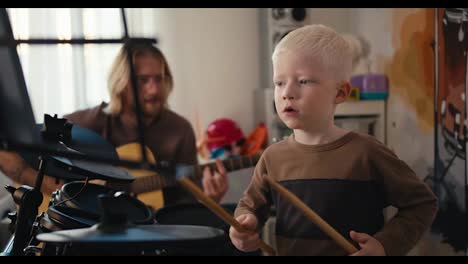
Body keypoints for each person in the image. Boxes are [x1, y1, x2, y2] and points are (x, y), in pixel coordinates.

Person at [229, 24, 438, 256]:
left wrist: (383, 246)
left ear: (340, 92)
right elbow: (249, 207)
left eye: (303, 81)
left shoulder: (367, 153)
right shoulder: (272, 157)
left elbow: (421, 204)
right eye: (279, 82)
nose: (287, 92)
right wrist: (243, 226)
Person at [0, 40, 229, 207]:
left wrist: (212, 199)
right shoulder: (90, 121)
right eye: (143, 80)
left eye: (159, 79)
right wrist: (59, 190)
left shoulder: (180, 130)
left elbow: (187, 209)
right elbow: (6, 152)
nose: (154, 89)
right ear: (121, 83)